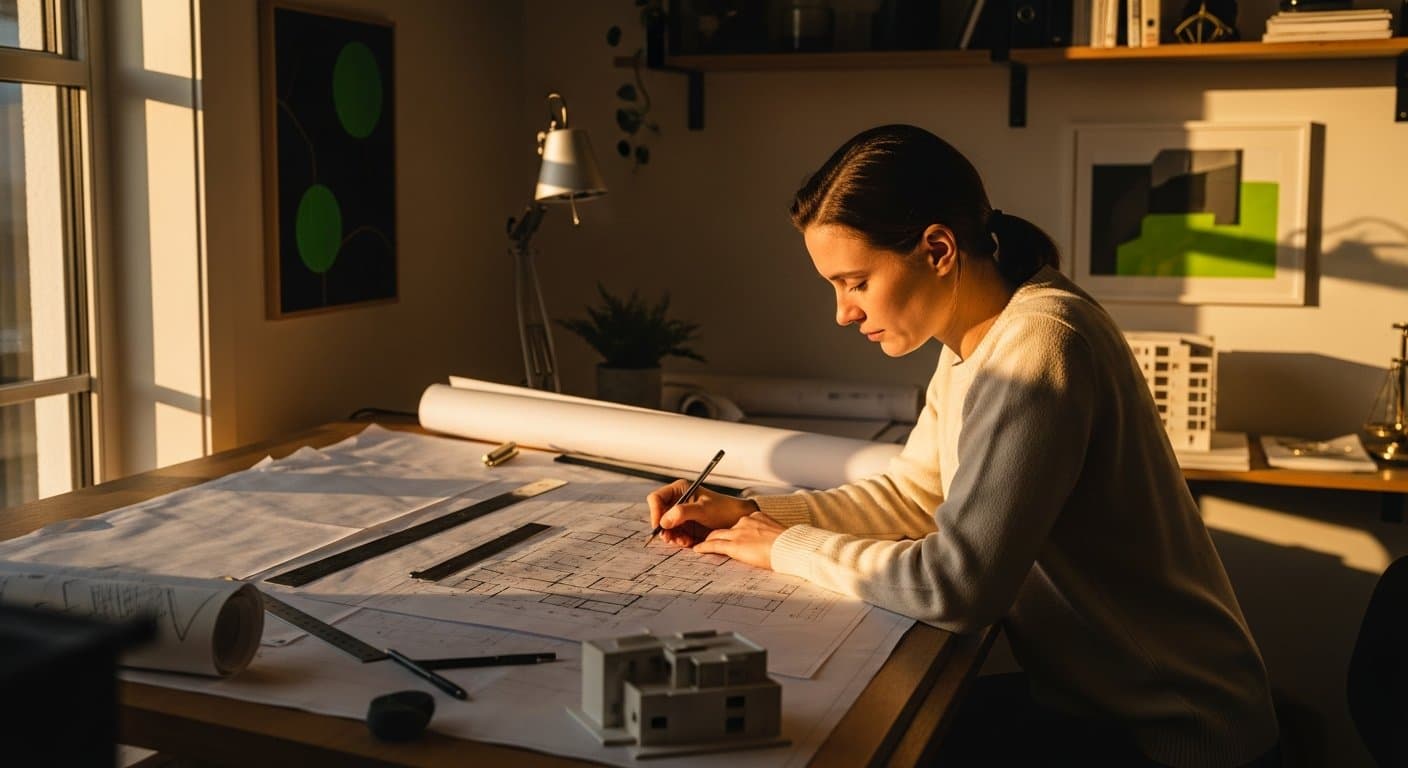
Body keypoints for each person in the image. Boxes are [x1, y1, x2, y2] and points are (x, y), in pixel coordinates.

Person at [646, 124, 1281, 767]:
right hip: (1088, 709)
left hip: (1176, 737)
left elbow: (958, 586)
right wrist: (747, 513)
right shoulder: (973, 343)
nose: (842, 312)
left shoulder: (1039, 345)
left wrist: (784, 548)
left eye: (856, 282)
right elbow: (914, 495)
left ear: (938, 249)